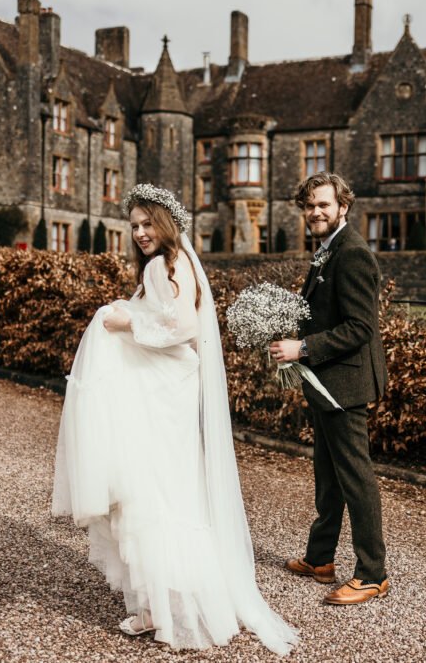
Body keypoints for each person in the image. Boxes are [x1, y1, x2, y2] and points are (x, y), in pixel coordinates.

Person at [51, 184, 296, 655]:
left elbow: (182, 327)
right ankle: (166, 607)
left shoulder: (164, 265)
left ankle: (162, 612)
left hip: (164, 397)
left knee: (149, 493)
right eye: (135, 225)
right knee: (167, 493)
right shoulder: (177, 262)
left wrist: (125, 321)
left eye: (148, 223)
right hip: (174, 392)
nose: (141, 233)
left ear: (166, 223)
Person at [270, 172, 389, 605]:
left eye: (323, 204)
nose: (315, 212)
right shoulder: (328, 249)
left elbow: (360, 327)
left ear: (343, 206)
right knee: (327, 475)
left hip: (346, 384)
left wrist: (302, 348)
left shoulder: (353, 253)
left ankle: (373, 574)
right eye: (309, 206)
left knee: (356, 478)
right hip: (325, 381)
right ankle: (320, 559)